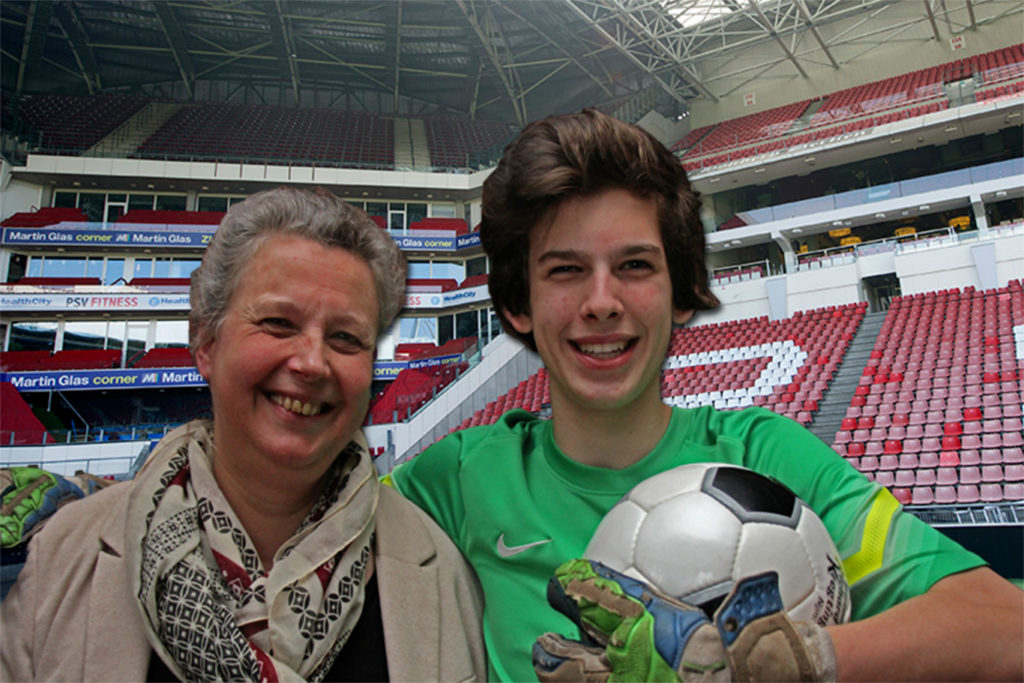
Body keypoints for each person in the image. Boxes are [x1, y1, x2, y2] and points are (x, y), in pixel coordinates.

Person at [387, 109, 1023, 681]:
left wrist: (794, 666)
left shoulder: (768, 458)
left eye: (635, 265)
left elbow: (1003, 624)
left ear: (681, 290)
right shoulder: (460, 476)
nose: (601, 302)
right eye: (565, 270)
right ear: (518, 303)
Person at [1, 188, 486, 682]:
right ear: (206, 342)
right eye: (278, 323)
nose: (312, 362)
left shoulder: (441, 570)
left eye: (346, 338)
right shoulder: (64, 556)